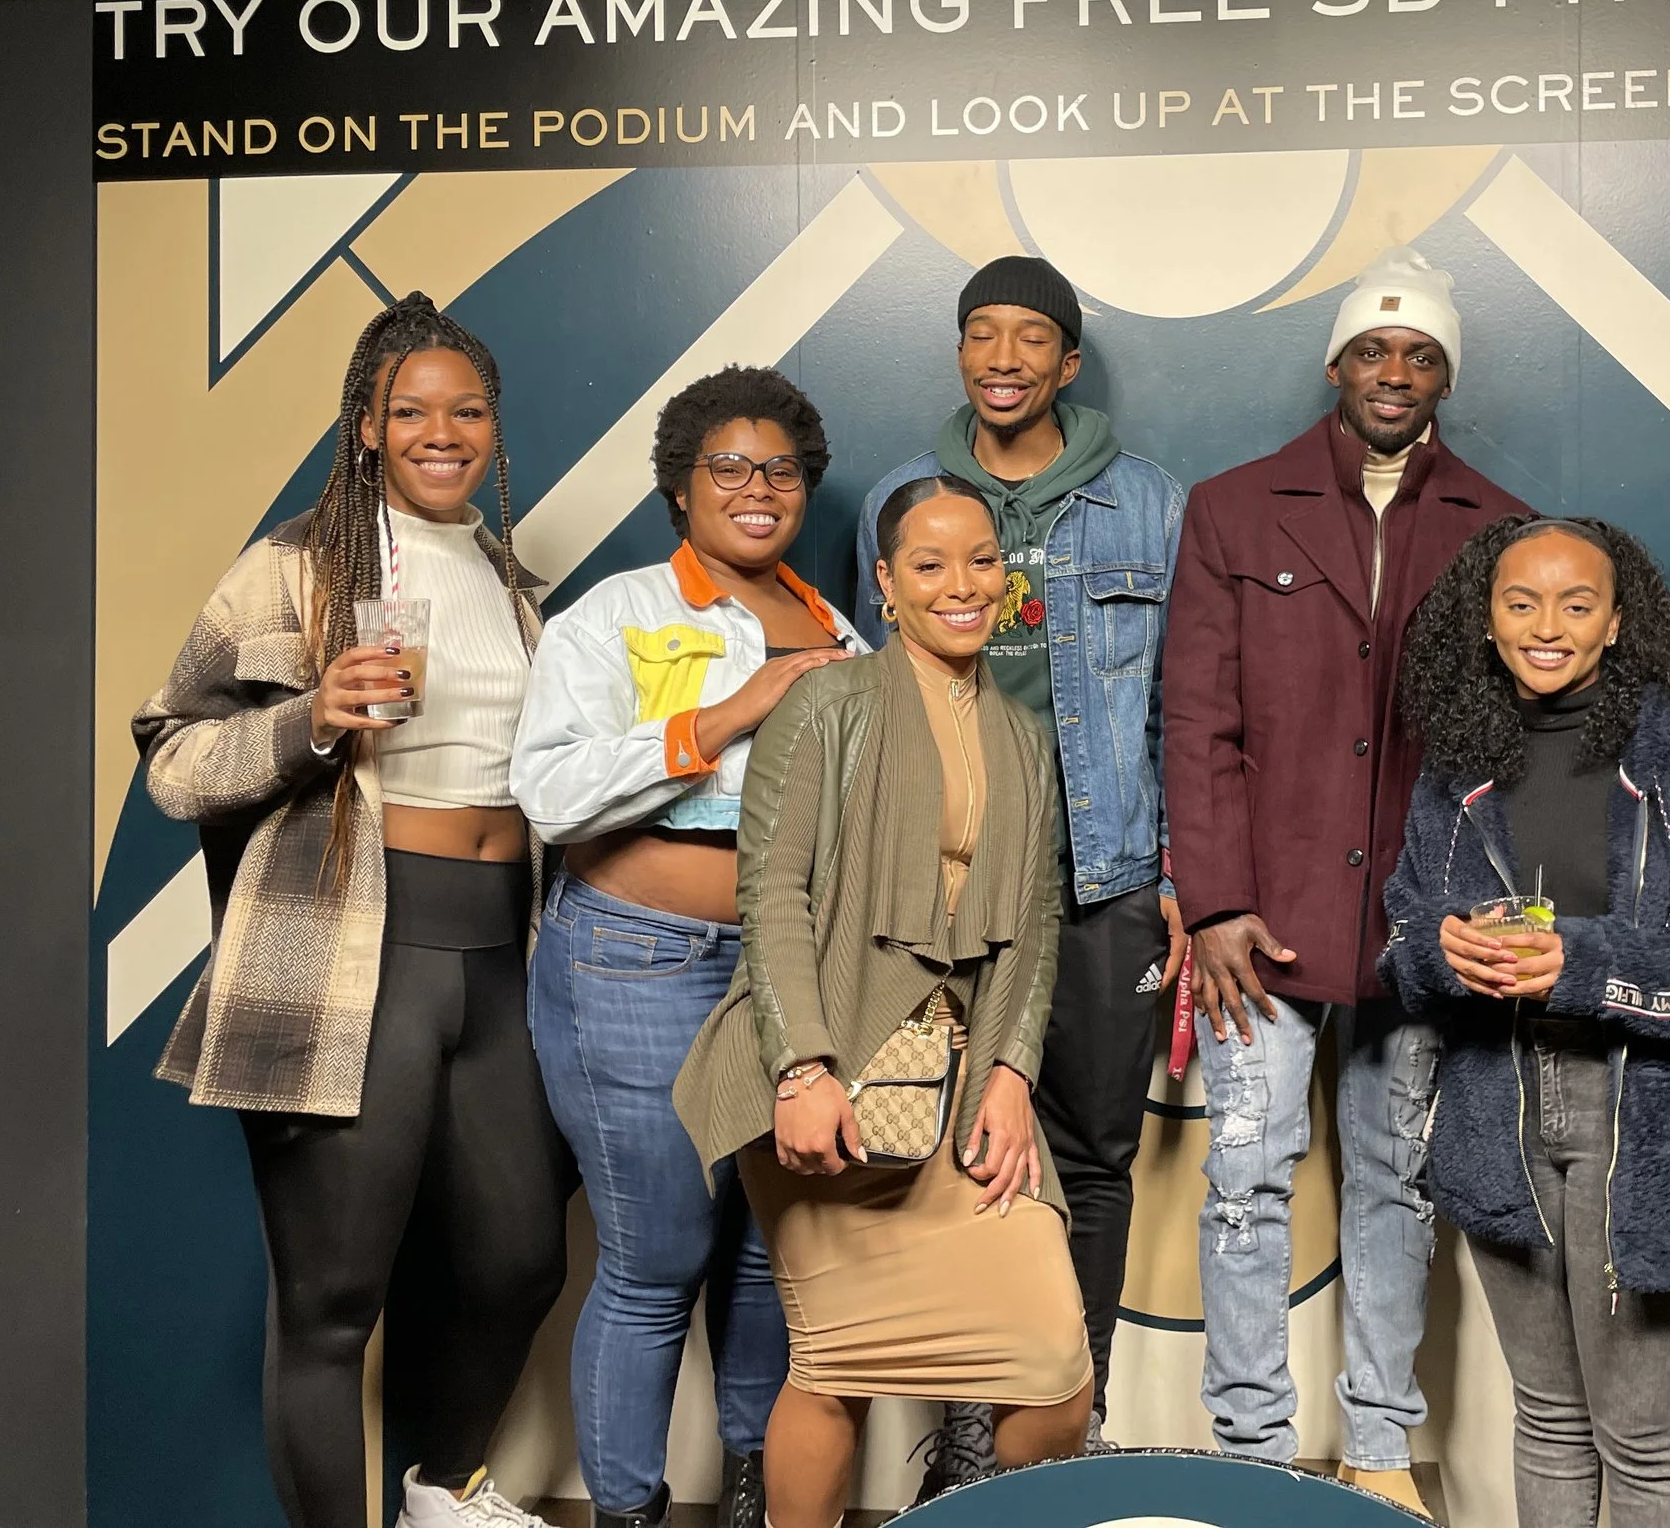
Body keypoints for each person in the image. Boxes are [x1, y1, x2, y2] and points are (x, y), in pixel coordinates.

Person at [135, 293, 571, 1528]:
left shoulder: (511, 586)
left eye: (467, 411)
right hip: (354, 948)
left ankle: (439, 1490)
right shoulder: (292, 568)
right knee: (331, 1300)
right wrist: (313, 720)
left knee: (518, 1258)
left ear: (494, 426)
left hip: (498, 948)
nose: (443, 433)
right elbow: (172, 760)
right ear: (367, 427)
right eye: (410, 411)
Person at [1162, 249, 1527, 1508]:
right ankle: (1251, 1458)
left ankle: (1379, 1452)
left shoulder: (1497, 524)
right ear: (1336, 365)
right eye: (1373, 349)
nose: (1394, 372)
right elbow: (1195, 722)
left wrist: (1461, 912)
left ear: (1444, 380)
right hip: (1257, 929)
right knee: (1244, 1185)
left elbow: (1501, 750)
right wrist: (1215, 902)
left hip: (1414, 932)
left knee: (1395, 1187)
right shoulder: (1232, 508)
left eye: (1421, 355)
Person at [676, 475, 1092, 1528]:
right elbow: (770, 889)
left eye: (983, 560)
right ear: (886, 584)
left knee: (1054, 1374)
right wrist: (801, 1068)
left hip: (962, 1076)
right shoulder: (828, 704)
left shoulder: (1022, 733)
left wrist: (1013, 1071)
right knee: (837, 1366)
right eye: (930, 564)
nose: (963, 585)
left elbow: (1037, 917)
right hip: (832, 1069)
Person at [1380, 513, 1670, 1528]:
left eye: (1577, 605)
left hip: (1656, 1127)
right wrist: (1439, 950)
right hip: (1499, 1112)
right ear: (1486, 619)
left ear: (1618, 624)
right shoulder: (1455, 772)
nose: (1547, 627)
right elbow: (1404, 927)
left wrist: (1585, 967)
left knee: (1643, 1435)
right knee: (1547, 1419)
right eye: (1521, 602)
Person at [510, 367, 868, 1528]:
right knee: (656, 1259)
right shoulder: (614, 618)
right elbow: (551, 795)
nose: (757, 489)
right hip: (636, 963)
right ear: (679, 487)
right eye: (728, 467)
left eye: (781, 470)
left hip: (786, 973)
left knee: (770, 1257)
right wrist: (728, 713)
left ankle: (757, 1502)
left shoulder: (841, 633)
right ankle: (630, 1512)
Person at [855, 254, 1185, 1485]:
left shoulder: (1150, 504)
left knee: (1093, 1161)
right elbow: (874, 705)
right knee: (955, 1159)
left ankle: (1060, 1438)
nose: (1003, 358)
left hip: (1103, 883)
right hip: (946, 887)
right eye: (981, 333)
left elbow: (1185, 704)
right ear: (957, 351)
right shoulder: (900, 498)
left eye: (1030, 337)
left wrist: (1179, 874)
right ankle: (963, 1444)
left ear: (1068, 360)